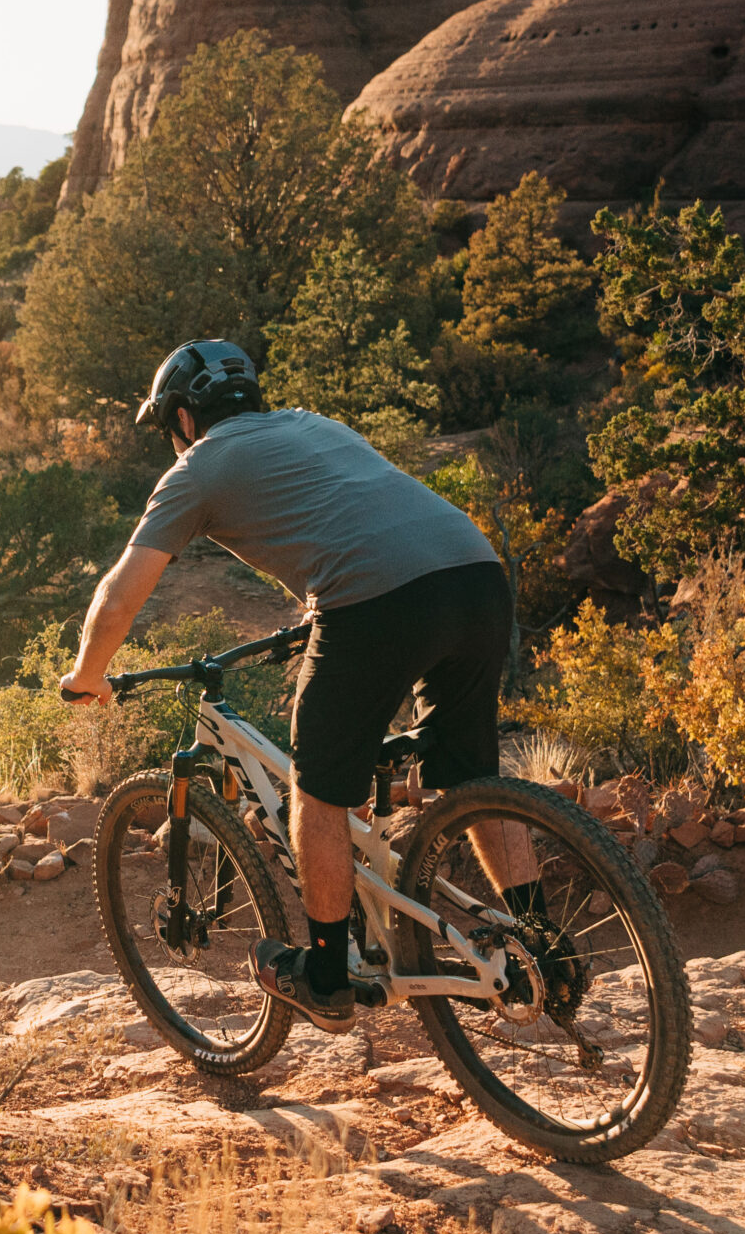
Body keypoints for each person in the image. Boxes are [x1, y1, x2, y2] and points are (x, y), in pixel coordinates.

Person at [58, 338, 529, 1032]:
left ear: (185, 418)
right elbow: (360, 513)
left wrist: (86, 676)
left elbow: (122, 593)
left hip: (376, 600)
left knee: (317, 786)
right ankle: (542, 941)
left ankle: (329, 978)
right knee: (469, 774)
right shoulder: (314, 423)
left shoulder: (197, 469)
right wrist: (317, 610)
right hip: (476, 574)